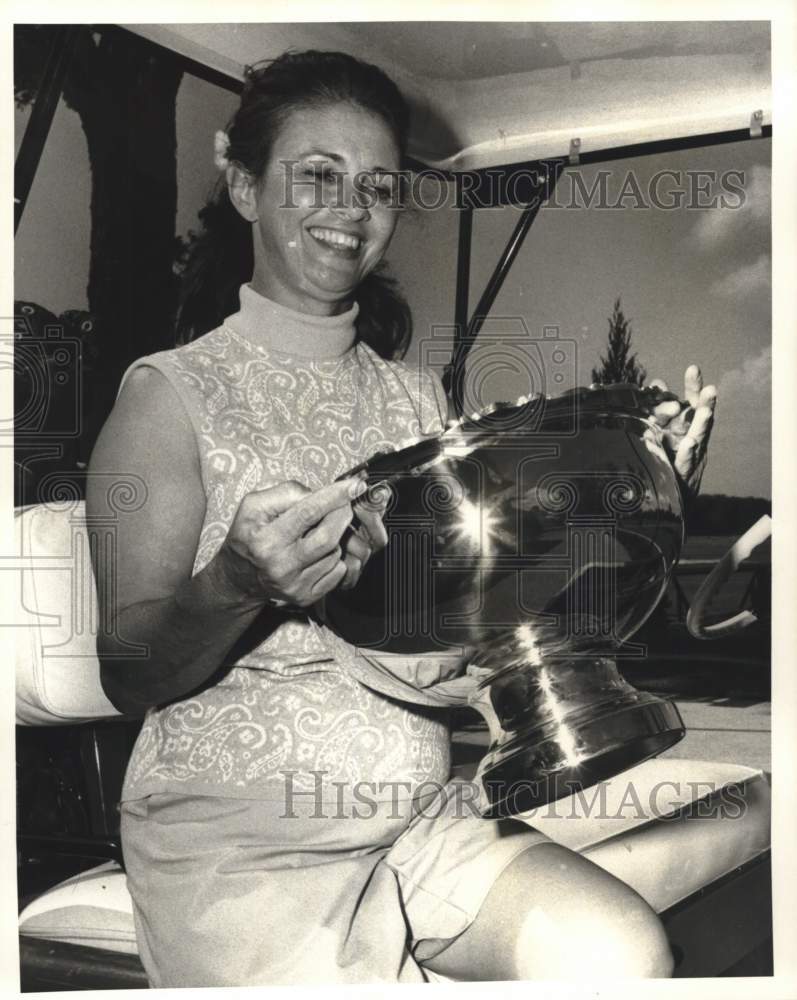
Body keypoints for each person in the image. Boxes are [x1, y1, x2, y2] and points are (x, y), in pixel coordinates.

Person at [87, 50, 716, 987]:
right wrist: (236, 584)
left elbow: (492, 621)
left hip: (421, 823)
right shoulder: (167, 394)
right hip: (244, 844)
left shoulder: (421, 402)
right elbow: (128, 668)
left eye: (377, 184)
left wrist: (643, 495)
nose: (351, 208)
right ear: (243, 186)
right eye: (317, 176)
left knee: (622, 953)